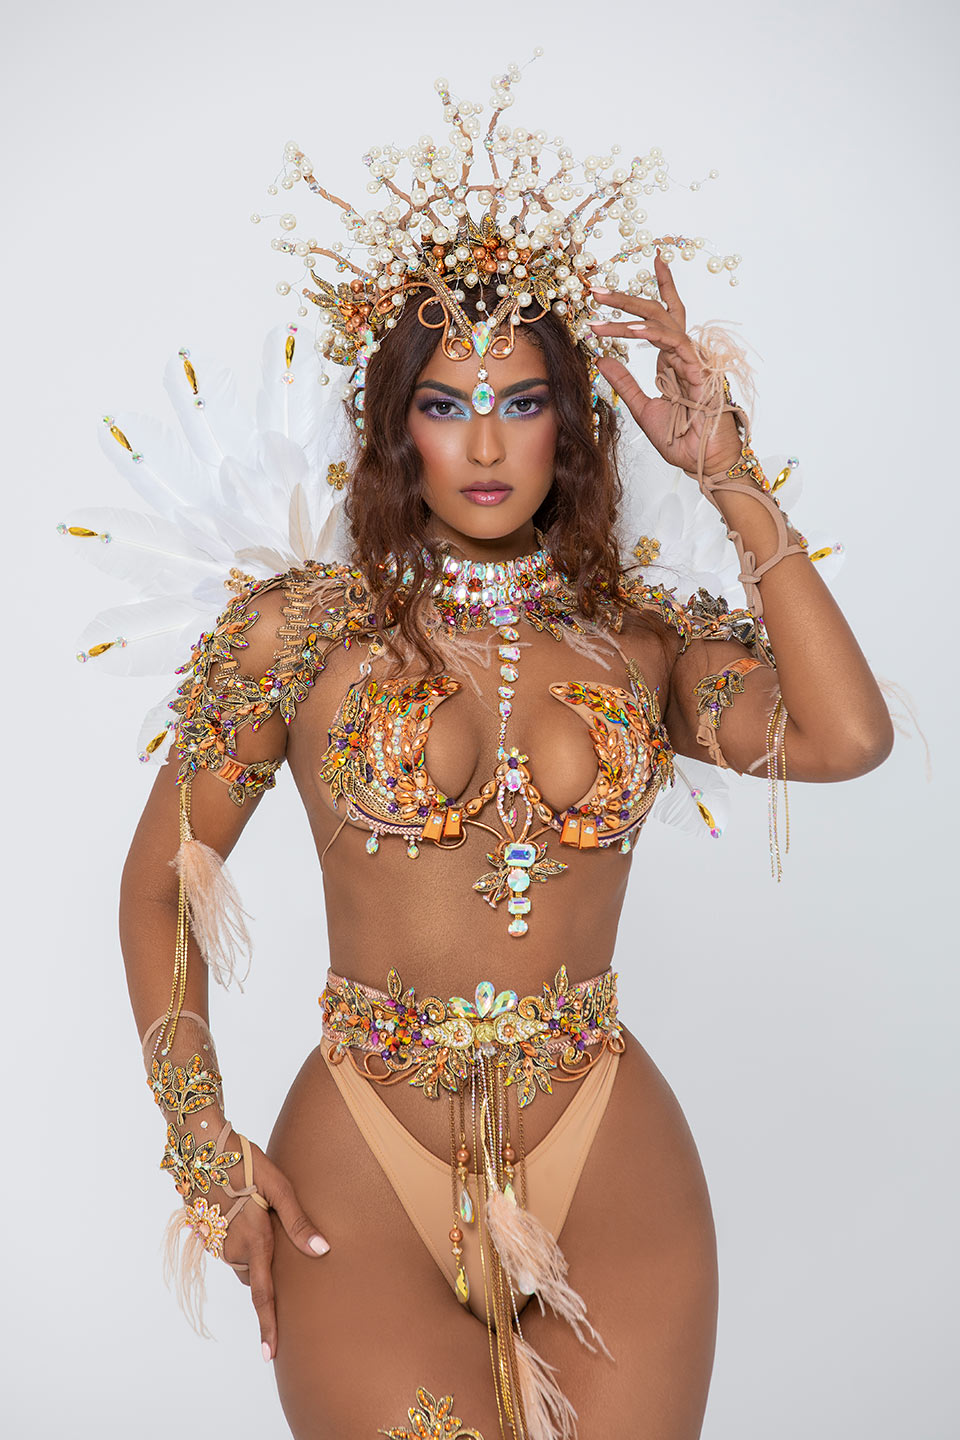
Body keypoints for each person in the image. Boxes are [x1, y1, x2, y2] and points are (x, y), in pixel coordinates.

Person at [103, 69, 894, 1440]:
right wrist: (201, 1144)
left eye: (522, 403)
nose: (483, 442)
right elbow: (162, 882)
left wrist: (729, 475)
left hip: (610, 1150)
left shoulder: (640, 642)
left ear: (569, 425)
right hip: (366, 1157)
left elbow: (849, 735)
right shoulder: (298, 634)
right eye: (446, 403)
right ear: (394, 424)